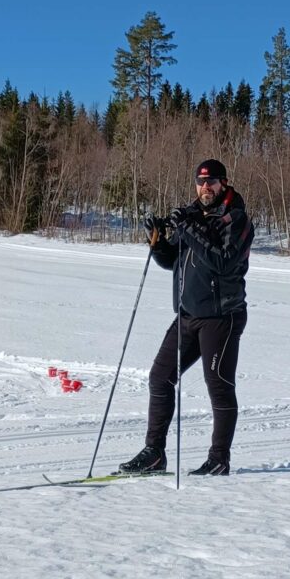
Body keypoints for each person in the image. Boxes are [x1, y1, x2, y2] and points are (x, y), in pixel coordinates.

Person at [119, 159, 253, 476]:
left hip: (221, 316)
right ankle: (154, 454)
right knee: (159, 377)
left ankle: (219, 459)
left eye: (212, 182)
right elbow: (173, 261)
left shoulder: (236, 219)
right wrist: (158, 242)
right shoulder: (191, 216)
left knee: (218, 385)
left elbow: (222, 261)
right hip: (188, 314)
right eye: (201, 182)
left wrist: (188, 228)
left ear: (223, 184)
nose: (205, 187)